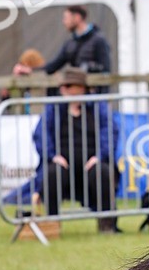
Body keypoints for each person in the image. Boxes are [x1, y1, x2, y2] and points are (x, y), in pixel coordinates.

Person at [33, 66, 119, 230]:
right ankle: (52, 224)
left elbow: (109, 131)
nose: (64, 90)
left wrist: (100, 156)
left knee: (102, 172)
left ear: (81, 88)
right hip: (63, 164)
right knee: (52, 173)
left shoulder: (97, 107)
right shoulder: (54, 107)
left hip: (92, 163)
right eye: (64, 87)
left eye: (69, 86)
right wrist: (52, 156)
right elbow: (41, 133)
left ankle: (107, 224)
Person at [13, 6, 111, 88]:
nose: (64, 22)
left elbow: (106, 70)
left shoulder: (99, 40)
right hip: (77, 95)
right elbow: (53, 66)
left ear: (77, 17)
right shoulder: (70, 44)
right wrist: (30, 70)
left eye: (66, 18)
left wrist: (87, 68)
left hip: (95, 96)